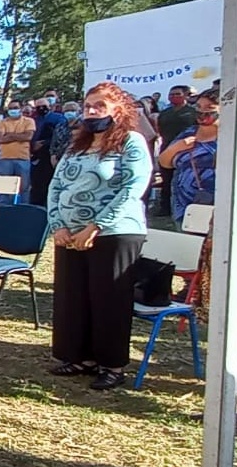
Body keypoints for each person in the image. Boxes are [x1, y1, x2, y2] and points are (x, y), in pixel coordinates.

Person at [47, 81, 152, 391]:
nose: (91, 112)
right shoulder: (77, 146)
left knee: (108, 299)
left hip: (114, 233)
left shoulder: (130, 142)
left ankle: (112, 364)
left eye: (99, 107)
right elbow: (55, 187)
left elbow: (133, 188)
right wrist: (58, 225)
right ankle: (79, 357)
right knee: (74, 297)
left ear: (118, 111)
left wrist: (96, 226)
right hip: (69, 235)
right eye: (88, 106)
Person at [159, 87, 221, 224]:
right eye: (198, 107)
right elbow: (164, 162)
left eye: (209, 107)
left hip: (221, 205)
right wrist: (177, 147)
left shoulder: (230, 137)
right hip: (184, 205)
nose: (202, 112)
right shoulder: (189, 132)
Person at [155, 85, 198, 217]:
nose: (174, 97)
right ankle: (165, 208)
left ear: (186, 96)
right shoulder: (165, 113)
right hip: (167, 148)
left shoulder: (193, 112)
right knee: (166, 180)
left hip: (188, 151)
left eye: (177, 94)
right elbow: (159, 129)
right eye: (171, 94)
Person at [0, 99, 34, 203]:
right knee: (4, 189)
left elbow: (28, 136)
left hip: (23, 158)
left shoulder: (29, 121)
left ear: (21, 109)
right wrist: (19, 136)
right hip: (5, 158)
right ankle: (4, 211)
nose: (12, 110)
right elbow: (0, 139)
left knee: (24, 187)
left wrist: (9, 135)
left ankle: (23, 210)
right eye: (10, 108)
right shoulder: (2, 122)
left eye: (15, 108)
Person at [29, 99, 69, 206]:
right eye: (38, 107)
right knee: (36, 184)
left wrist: (44, 143)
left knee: (49, 182)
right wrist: (33, 145)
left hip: (51, 155)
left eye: (44, 106)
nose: (41, 109)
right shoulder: (33, 120)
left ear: (50, 106)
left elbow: (59, 136)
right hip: (36, 155)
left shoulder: (58, 118)